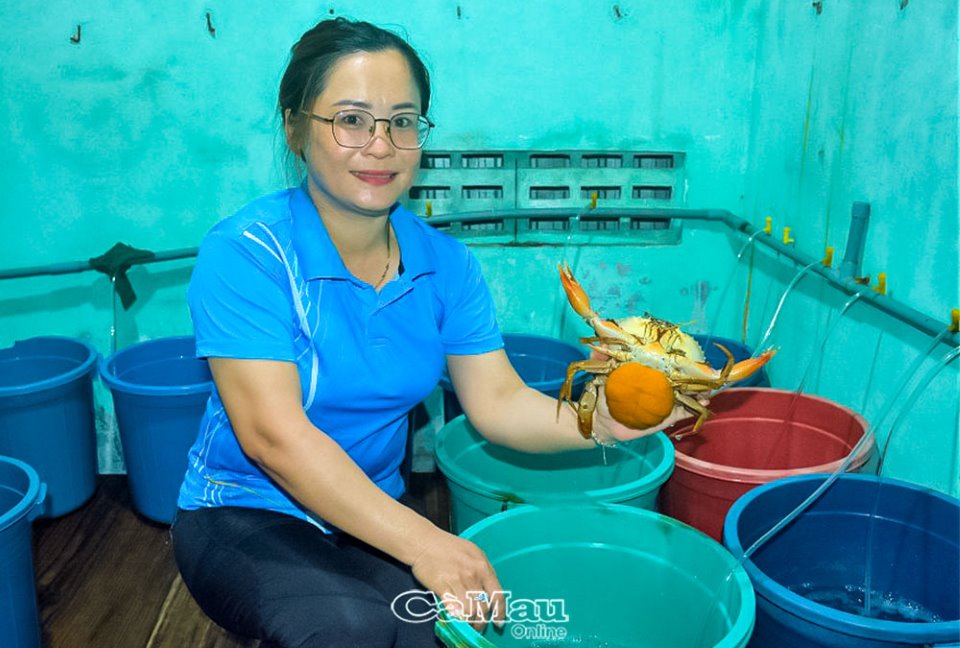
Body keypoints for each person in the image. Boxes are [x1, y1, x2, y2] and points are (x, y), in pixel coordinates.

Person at [170, 16, 694, 648]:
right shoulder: (248, 254)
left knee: (431, 632)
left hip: (368, 508)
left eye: (403, 120)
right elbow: (272, 438)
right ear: (295, 128)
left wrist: (598, 422)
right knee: (345, 629)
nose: (381, 144)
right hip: (245, 507)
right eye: (351, 119)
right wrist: (424, 542)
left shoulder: (446, 265)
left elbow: (497, 402)